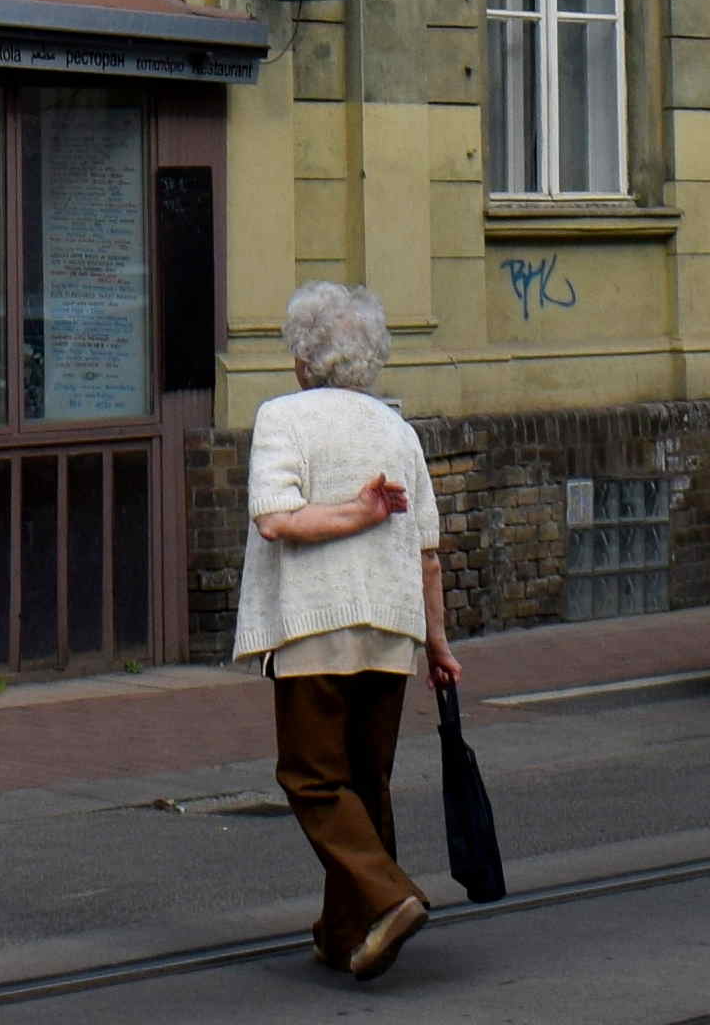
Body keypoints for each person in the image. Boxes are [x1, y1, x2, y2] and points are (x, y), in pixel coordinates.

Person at [240, 279, 455, 981]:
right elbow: (428, 554)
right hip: (392, 627)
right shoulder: (398, 429)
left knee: (311, 779)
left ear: (304, 357)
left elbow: (276, 517)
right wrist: (440, 647)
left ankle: (392, 897)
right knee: (367, 783)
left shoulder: (283, 417)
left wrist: (356, 514)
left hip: (316, 624)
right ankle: (346, 934)